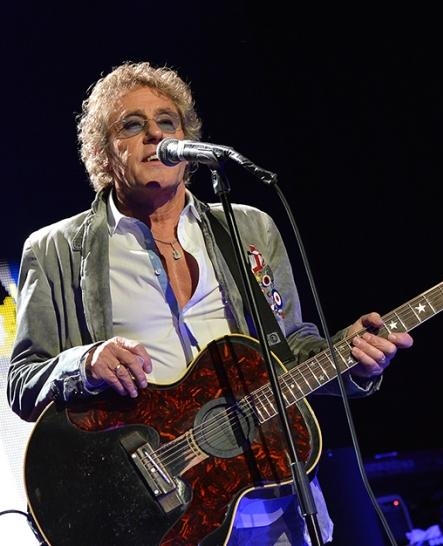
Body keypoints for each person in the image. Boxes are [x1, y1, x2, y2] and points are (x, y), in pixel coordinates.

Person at [6, 60, 413, 545]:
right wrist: (86, 364)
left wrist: (351, 359)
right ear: (101, 152)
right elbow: (23, 382)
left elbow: (292, 349)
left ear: (188, 142)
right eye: (132, 125)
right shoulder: (55, 249)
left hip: (275, 503)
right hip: (156, 520)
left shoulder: (249, 228)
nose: (154, 134)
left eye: (167, 121)